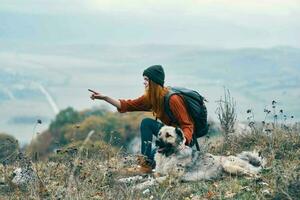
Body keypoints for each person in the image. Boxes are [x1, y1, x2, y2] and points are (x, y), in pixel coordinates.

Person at [89, 65, 195, 172]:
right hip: (167, 137)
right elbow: (127, 105)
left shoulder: (173, 99)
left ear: (154, 81)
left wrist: (182, 142)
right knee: (148, 128)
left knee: (152, 144)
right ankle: (145, 164)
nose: (144, 82)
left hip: (181, 141)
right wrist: (105, 98)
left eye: (146, 79)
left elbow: (187, 125)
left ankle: (146, 165)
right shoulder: (151, 98)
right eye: (144, 79)